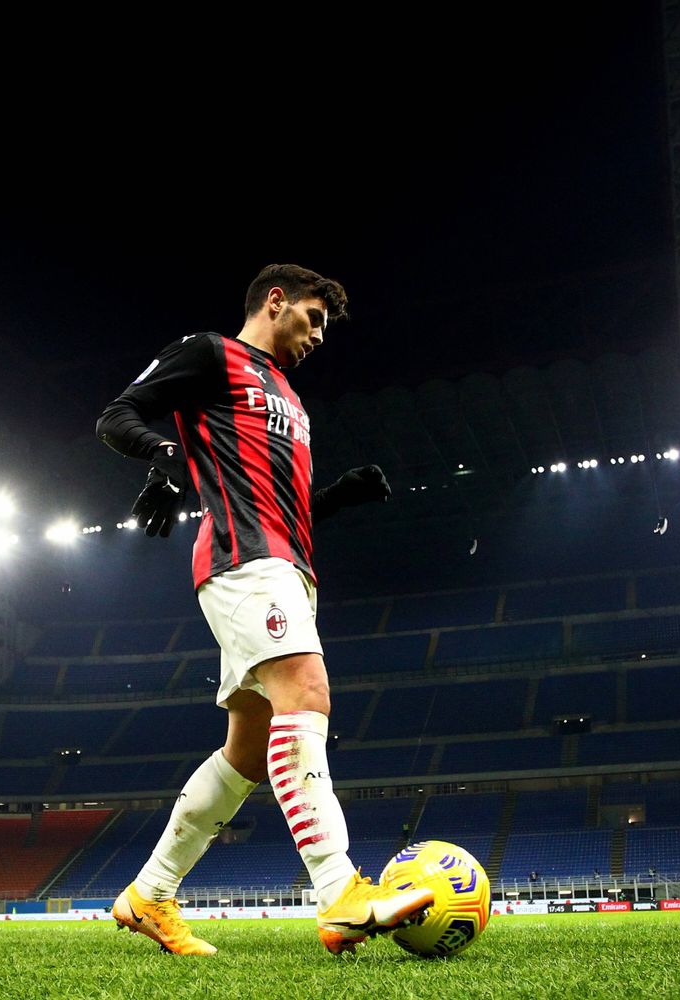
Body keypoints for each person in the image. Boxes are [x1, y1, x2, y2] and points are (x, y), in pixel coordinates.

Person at [95, 264, 430, 956]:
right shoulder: (212, 353)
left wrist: (336, 495)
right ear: (276, 301)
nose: (317, 336)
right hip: (242, 561)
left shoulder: (291, 401)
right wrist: (162, 458)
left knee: (247, 753)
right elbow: (117, 414)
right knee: (307, 690)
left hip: (288, 567)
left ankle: (149, 895)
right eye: (312, 319)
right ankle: (341, 892)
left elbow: (282, 504)